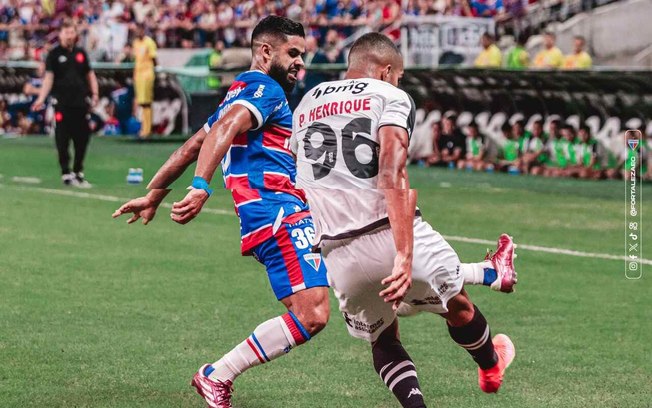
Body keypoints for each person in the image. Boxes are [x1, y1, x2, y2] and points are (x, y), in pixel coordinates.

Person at [112, 17, 515, 408]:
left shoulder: (286, 99)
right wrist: (200, 187)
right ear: (265, 51)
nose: (301, 63)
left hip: (319, 235)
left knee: (386, 316)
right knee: (318, 312)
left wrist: (156, 192)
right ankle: (218, 373)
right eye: (293, 53)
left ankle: (490, 272)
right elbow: (224, 132)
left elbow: (194, 143)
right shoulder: (266, 90)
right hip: (286, 215)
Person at [292, 32, 516, 408]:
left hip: (336, 250)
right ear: (386, 70)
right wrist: (402, 253)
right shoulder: (390, 96)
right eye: (399, 76)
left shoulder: (306, 102)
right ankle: (491, 366)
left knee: (384, 337)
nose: (400, 83)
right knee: (457, 306)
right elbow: (391, 170)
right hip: (386, 229)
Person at [31, 19, 98, 187]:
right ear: (60, 34)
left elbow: (90, 75)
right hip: (62, 103)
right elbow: (49, 78)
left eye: (72, 32)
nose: (69, 35)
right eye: (66, 32)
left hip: (81, 103)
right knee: (62, 139)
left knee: (82, 138)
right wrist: (41, 98)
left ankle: (78, 171)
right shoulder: (54, 55)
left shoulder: (81, 53)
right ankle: (66, 172)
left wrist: (95, 93)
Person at [132, 23, 157, 138]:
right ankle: (144, 128)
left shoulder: (149, 42)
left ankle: (147, 129)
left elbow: (154, 58)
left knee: (146, 102)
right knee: (141, 103)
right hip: (138, 75)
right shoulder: (136, 43)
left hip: (147, 75)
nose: (138, 32)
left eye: (139, 30)